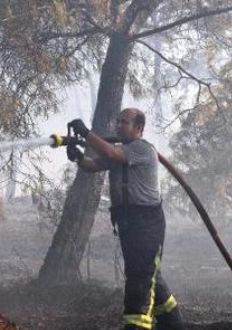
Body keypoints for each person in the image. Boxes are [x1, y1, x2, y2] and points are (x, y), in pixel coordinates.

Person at [66, 108, 183, 330]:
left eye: (124, 122)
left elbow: (111, 154)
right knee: (148, 275)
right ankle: (172, 323)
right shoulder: (121, 150)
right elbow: (93, 166)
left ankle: (136, 324)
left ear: (139, 128)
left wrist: (86, 132)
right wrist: (79, 157)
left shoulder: (143, 149)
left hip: (148, 225)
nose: (118, 125)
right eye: (118, 121)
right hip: (129, 224)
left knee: (139, 277)